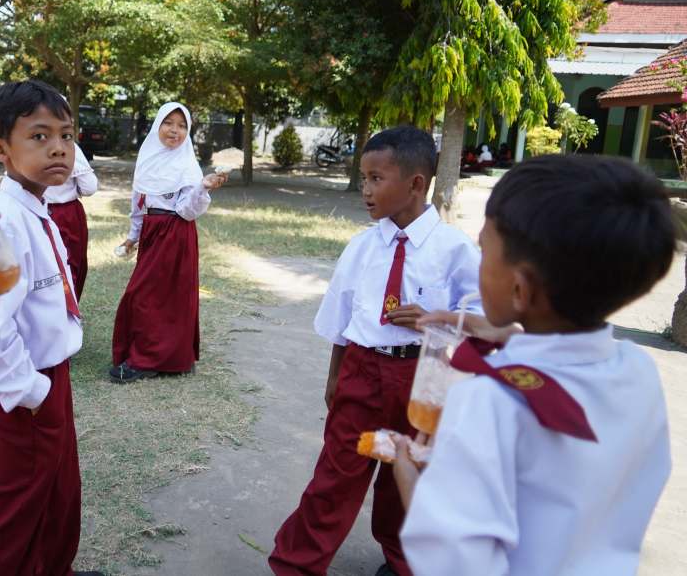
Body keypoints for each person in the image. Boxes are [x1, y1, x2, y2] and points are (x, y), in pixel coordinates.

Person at [391, 155, 675, 576]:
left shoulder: (487, 402)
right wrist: (503, 332)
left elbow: (453, 563)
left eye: (483, 246)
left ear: (520, 289)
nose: (477, 251)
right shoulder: (638, 371)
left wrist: (414, 488)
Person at [269, 125, 482, 576]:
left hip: (424, 376)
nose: (365, 190)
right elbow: (341, 319)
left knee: (408, 475)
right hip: (362, 372)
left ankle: (403, 560)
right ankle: (296, 564)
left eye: (376, 179)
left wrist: (436, 319)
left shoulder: (455, 250)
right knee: (336, 474)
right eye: (363, 178)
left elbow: (484, 318)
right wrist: (335, 375)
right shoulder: (362, 247)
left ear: (416, 184)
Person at [0, 80, 101, 576]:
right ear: (0, 148)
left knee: (58, 488)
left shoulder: (36, 209)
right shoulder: (0, 223)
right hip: (24, 391)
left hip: (49, 377)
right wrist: (33, 393)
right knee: (16, 502)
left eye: (66, 134)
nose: (59, 147)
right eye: (39, 136)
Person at [110, 102, 227, 384]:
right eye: (169, 123)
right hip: (151, 233)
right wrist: (132, 237)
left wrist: (203, 187)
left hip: (175, 233)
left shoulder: (187, 165)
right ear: (157, 125)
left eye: (182, 125)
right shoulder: (147, 157)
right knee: (146, 296)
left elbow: (187, 210)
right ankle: (161, 357)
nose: (175, 130)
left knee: (158, 297)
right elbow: (139, 205)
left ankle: (148, 360)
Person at [44, 142, 98, 299]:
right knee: (71, 266)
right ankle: (67, 314)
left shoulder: (26, 141)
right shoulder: (67, 145)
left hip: (34, 211)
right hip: (67, 215)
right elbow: (89, 187)